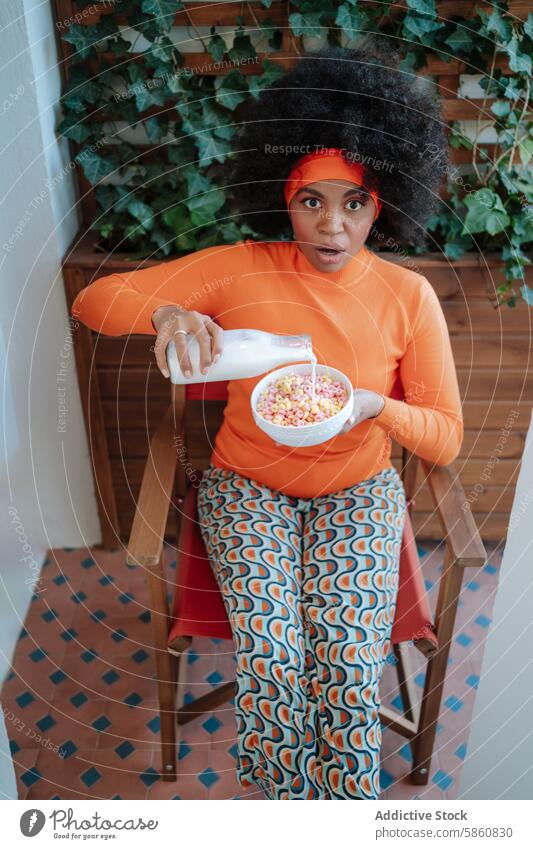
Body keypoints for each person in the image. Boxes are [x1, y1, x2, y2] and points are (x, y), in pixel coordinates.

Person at [71, 41, 463, 800]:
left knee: (347, 662)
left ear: (382, 201)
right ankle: (286, 809)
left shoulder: (407, 296)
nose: (331, 225)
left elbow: (444, 434)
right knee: (275, 656)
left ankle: (342, 813)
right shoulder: (239, 267)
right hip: (245, 487)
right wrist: (170, 310)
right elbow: (93, 304)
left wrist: (373, 405)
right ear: (280, 198)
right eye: (310, 200)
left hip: (358, 489)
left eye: (353, 202)